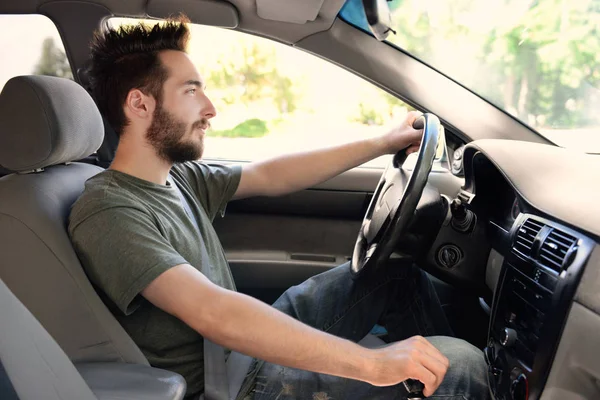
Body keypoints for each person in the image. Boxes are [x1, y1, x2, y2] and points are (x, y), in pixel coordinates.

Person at [68, 17, 490, 400]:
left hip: (236, 353)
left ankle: (432, 385)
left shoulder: (176, 177)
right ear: (140, 105)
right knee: (458, 363)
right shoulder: (109, 210)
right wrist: (375, 365)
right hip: (231, 384)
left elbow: (272, 175)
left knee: (396, 276)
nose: (210, 108)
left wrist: (382, 142)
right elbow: (214, 313)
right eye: (191, 90)